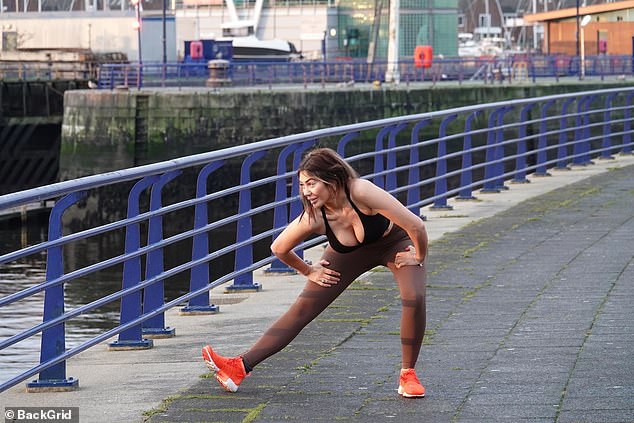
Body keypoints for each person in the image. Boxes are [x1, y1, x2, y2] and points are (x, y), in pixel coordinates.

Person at [202, 147, 428, 398]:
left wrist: (418, 256)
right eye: (302, 185)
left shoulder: (360, 191)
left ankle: (408, 374)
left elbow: (415, 224)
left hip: (393, 245)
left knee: (414, 297)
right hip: (347, 254)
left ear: (332, 179)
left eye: (312, 183)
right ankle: (239, 367)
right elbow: (279, 248)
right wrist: (309, 271)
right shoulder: (315, 216)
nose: (306, 191)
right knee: (302, 309)